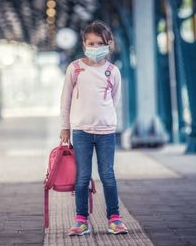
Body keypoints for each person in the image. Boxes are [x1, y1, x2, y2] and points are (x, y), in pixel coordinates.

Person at [60, 20, 128, 236]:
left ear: (108, 44)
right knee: (82, 176)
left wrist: (105, 118)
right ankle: (81, 220)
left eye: (100, 43)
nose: (96, 47)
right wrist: (65, 128)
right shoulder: (75, 68)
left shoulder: (113, 71)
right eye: (91, 43)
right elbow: (66, 100)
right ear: (84, 44)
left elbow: (114, 100)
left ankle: (114, 219)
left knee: (108, 175)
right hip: (81, 131)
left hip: (106, 132)